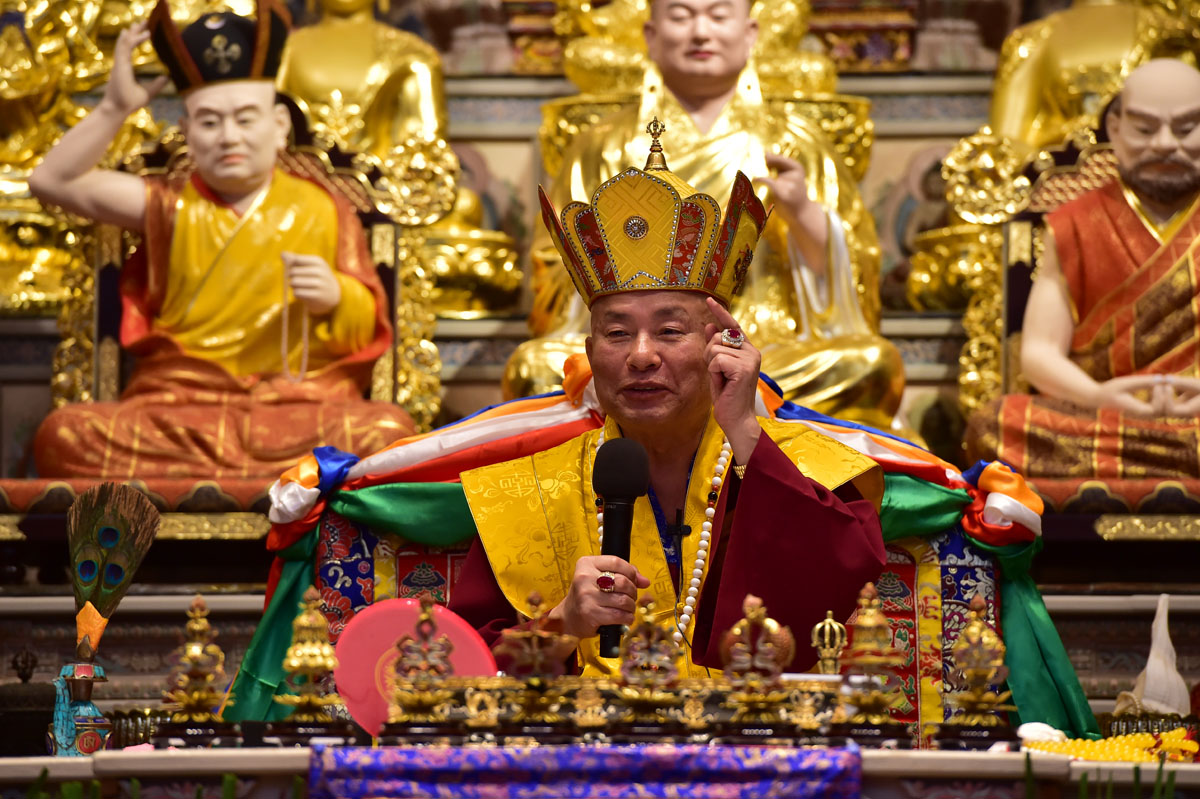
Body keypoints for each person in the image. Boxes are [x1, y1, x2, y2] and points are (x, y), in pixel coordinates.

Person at [449, 134, 887, 675]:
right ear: (589, 352)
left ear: (722, 345)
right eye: (616, 333)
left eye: (670, 331)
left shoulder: (807, 467)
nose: (640, 355)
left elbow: (842, 585)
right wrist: (562, 622)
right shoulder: (527, 492)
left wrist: (746, 432)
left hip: (751, 725)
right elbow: (462, 666)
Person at [27, 0, 413, 479]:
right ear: (187, 133)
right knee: (65, 434)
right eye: (210, 122)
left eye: (246, 119)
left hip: (294, 405)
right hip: (180, 403)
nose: (229, 137)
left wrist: (337, 296)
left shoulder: (323, 206)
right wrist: (115, 107)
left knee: (386, 431)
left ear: (279, 127)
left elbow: (367, 324)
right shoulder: (169, 205)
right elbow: (51, 182)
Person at [503, 0, 905, 431]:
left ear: (750, 33)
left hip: (766, 342)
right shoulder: (601, 144)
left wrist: (803, 214)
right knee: (536, 367)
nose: (699, 32)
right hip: (635, 349)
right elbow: (554, 263)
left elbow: (860, 265)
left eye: (718, 16)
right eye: (681, 16)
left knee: (869, 364)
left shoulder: (794, 141)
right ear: (651, 35)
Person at [966, 59, 1200, 477]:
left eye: (1186, 129)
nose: (1165, 144)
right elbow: (1039, 352)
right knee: (995, 425)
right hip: (1102, 413)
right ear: (1116, 128)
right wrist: (1098, 396)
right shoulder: (1076, 222)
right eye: (1145, 129)